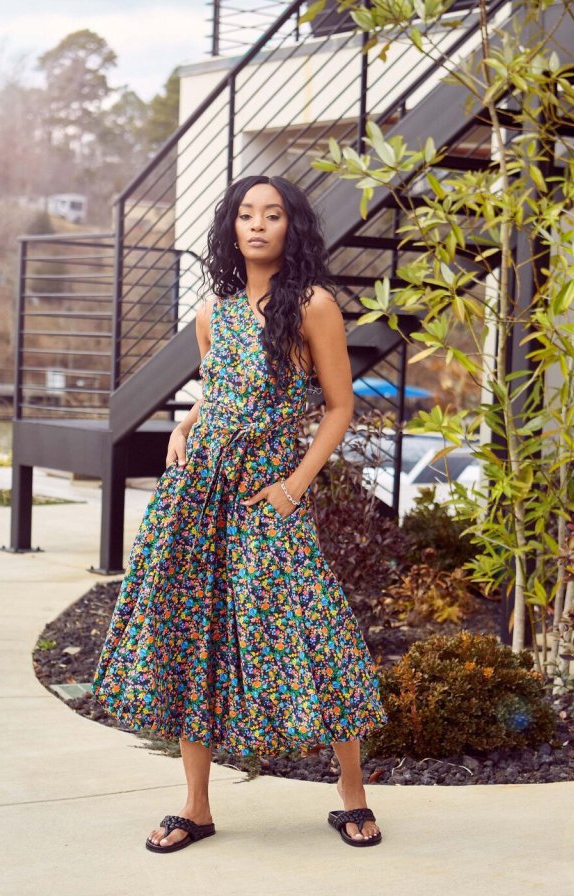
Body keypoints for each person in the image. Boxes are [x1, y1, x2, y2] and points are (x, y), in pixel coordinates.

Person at [91, 174, 388, 852]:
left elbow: (338, 406)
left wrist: (294, 486)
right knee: (194, 637)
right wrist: (185, 425)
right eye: (246, 215)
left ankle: (352, 798)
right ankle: (195, 806)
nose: (257, 225)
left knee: (316, 627)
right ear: (230, 228)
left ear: (293, 227)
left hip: (269, 498)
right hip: (199, 497)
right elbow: (224, 388)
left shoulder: (313, 305)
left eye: (273, 214)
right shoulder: (211, 311)